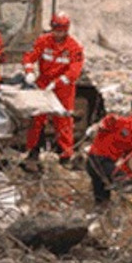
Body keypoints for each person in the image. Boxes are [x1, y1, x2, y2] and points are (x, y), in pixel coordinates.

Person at [22, 12, 84, 164]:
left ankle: (66, 154)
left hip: (64, 88)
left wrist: (58, 82)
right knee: (37, 118)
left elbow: (74, 71)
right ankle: (33, 151)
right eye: (55, 30)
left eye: (60, 30)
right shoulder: (43, 41)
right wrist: (29, 71)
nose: (57, 34)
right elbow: (29, 57)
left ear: (66, 30)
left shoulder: (73, 47)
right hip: (43, 83)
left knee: (63, 120)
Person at [85, 110, 132, 206]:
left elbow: (131, 163)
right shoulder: (122, 122)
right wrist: (95, 128)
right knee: (122, 182)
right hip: (97, 159)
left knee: (102, 199)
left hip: (106, 163)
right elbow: (105, 122)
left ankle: (101, 214)